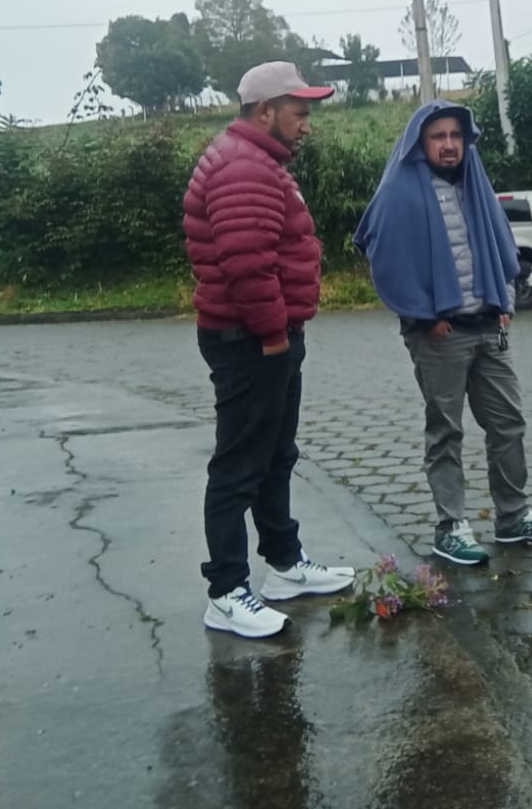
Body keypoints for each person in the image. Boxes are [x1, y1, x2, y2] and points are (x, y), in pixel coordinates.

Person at [184, 61, 355, 639]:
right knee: (238, 466)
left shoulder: (257, 160)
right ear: (265, 111)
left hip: (263, 336)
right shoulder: (243, 167)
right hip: (251, 340)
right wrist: (275, 335)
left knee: (276, 454)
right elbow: (247, 264)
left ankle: (284, 564)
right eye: (299, 113)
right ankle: (226, 591)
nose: (306, 124)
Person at [353, 100, 532, 565]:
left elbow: (501, 246)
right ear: (420, 142)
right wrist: (424, 316)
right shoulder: (400, 192)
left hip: (489, 326)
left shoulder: (475, 183)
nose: (449, 145)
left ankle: (513, 515)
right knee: (446, 431)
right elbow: (383, 254)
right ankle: (450, 527)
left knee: (508, 423)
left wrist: (503, 301)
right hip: (440, 335)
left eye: (456, 136)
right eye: (438, 137)